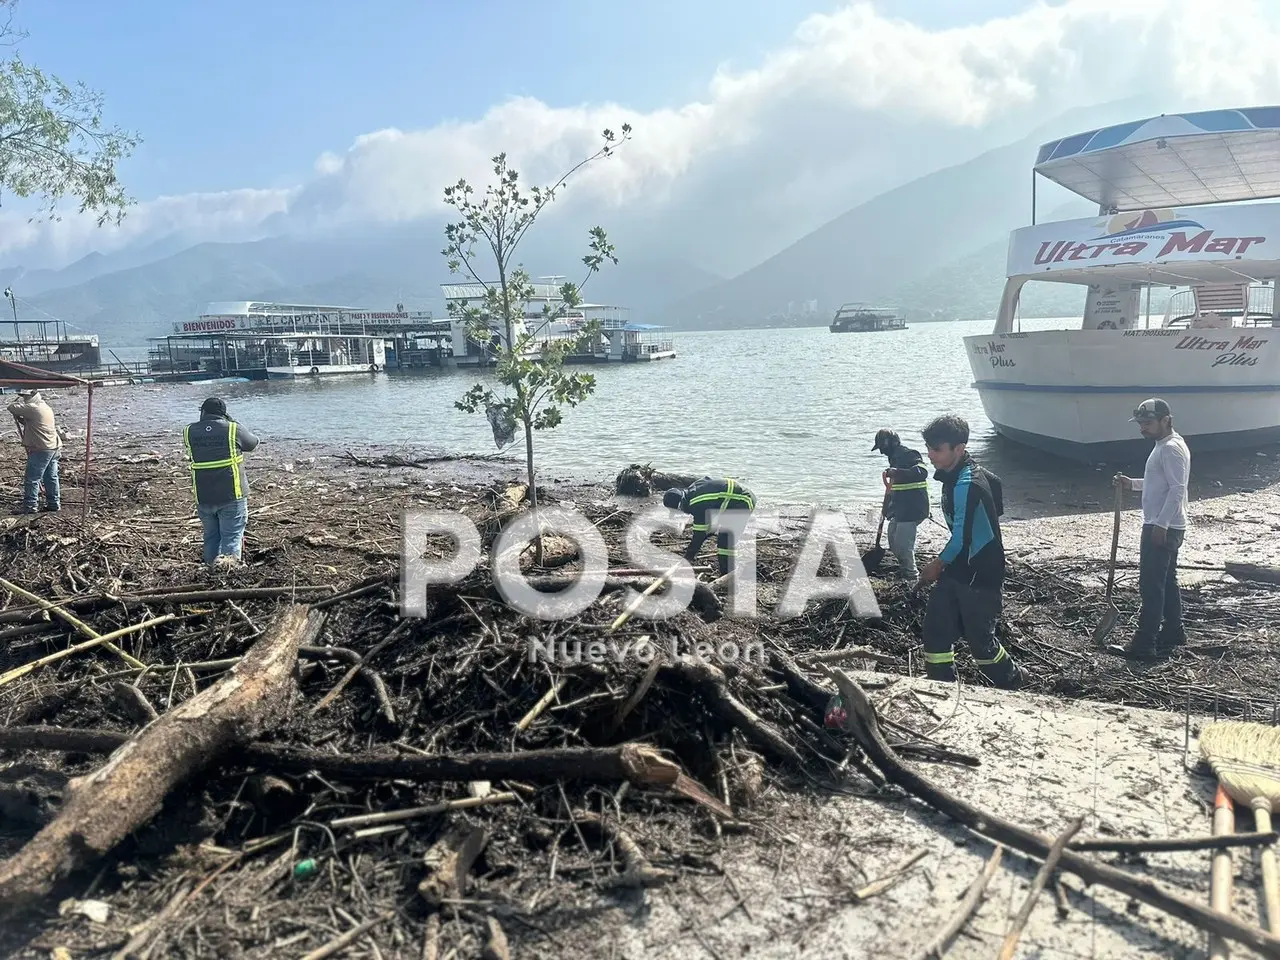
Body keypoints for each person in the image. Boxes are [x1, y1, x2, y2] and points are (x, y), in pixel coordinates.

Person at [916, 414, 1025, 689]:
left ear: (959, 449)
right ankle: (942, 686)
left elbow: (961, 539)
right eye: (928, 448)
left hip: (981, 572)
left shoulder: (967, 484)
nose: (930, 455)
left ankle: (1014, 681)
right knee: (936, 631)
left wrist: (936, 565)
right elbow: (996, 489)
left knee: (981, 644)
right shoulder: (961, 474)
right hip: (959, 567)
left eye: (937, 449)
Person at [1112, 398, 1190, 659]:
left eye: (1147, 423)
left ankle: (1145, 643)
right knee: (1166, 581)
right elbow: (1160, 483)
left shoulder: (1170, 448)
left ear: (1165, 420)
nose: (1142, 428)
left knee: (1151, 584)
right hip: (1167, 524)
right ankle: (1173, 632)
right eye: (1140, 423)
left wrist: (1161, 524)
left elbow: (1178, 488)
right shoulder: (1165, 445)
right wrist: (1131, 484)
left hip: (1162, 525)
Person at [183, 397, 259, 569]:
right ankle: (228, 575)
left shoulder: (188, 431)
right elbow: (253, 443)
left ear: (202, 412)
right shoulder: (233, 429)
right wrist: (233, 422)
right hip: (231, 495)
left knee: (211, 536)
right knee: (231, 536)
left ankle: (210, 569)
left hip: (204, 496)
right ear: (224, 414)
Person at [663, 477, 756, 577]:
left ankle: (728, 576)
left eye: (679, 511)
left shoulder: (697, 504)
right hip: (731, 501)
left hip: (742, 501)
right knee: (712, 532)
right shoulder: (692, 493)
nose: (682, 513)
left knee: (725, 542)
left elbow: (699, 535)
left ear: (681, 505)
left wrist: (688, 557)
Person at [872, 428, 930, 579]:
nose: (881, 452)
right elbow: (893, 488)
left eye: (882, 448)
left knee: (904, 545)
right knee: (893, 540)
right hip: (900, 508)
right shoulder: (894, 458)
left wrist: (898, 472)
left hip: (913, 507)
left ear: (890, 444)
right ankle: (904, 569)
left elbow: (922, 472)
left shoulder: (909, 454)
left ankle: (911, 575)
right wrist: (887, 507)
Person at [8, 389, 62, 515]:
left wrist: (15, 401)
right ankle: (54, 504)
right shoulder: (45, 407)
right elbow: (33, 423)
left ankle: (30, 506)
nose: (25, 399)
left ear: (32, 396)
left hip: (41, 448)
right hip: (53, 446)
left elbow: (11, 407)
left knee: (32, 478)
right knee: (51, 477)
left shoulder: (33, 408)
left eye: (26, 397)